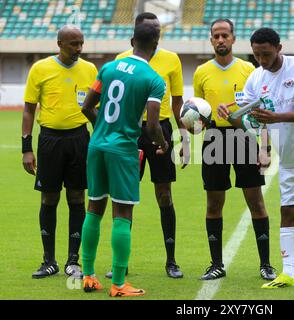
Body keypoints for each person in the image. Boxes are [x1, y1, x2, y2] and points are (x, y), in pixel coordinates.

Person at [218, 27, 294, 288]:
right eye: (256, 55)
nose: (262, 60)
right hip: (288, 153)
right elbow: (253, 123)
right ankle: (288, 273)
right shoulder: (255, 79)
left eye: (266, 54)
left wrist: (277, 118)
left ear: (279, 48)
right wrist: (233, 118)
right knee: (287, 209)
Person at [80, 23, 168, 297]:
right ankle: (118, 283)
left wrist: (102, 132)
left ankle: (88, 275)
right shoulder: (153, 79)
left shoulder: (107, 68)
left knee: (94, 207)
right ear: (155, 45)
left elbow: (86, 106)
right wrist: (162, 144)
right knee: (123, 212)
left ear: (132, 40)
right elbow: (153, 126)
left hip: (97, 145)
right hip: (123, 150)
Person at [104, 12, 187, 280]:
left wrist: (183, 133)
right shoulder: (121, 60)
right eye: (149, 28)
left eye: (157, 28)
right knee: (124, 197)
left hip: (161, 129)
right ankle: (121, 263)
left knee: (164, 195)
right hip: (129, 131)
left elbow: (177, 102)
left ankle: (171, 261)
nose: (154, 32)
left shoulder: (172, 59)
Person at [193, 19, 276, 281]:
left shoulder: (249, 69)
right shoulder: (201, 72)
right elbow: (197, 114)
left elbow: (259, 112)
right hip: (215, 138)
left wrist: (265, 147)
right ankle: (216, 264)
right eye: (215, 35)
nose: (220, 40)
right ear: (211, 40)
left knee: (255, 201)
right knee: (214, 202)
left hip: (245, 136)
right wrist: (194, 128)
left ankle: (266, 264)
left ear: (233, 38)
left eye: (224, 35)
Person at [22, 25, 97, 279]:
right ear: (59, 44)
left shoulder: (89, 69)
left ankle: (73, 261)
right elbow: (29, 109)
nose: (78, 48)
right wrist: (26, 148)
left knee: (77, 197)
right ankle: (49, 261)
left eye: (81, 43)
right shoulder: (40, 69)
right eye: (73, 43)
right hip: (49, 141)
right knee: (49, 199)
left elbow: (97, 108)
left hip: (79, 139)